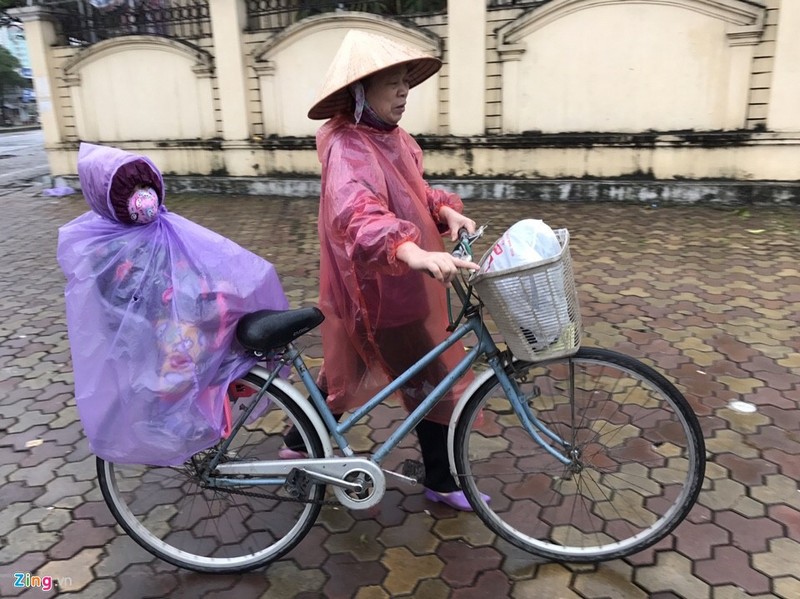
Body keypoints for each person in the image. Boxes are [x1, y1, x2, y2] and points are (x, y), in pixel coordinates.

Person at [283, 30, 489, 511]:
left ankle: (297, 438)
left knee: (345, 366)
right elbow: (357, 213)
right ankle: (440, 477)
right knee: (434, 378)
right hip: (378, 286)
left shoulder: (394, 139)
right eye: (392, 83)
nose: (404, 92)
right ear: (361, 91)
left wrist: (444, 212)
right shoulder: (349, 146)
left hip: (401, 281)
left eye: (405, 83)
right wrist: (412, 252)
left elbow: (413, 193)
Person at [57, 143, 289, 466]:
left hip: (181, 308)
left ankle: (218, 395)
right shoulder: (103, 248)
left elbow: (193, 258)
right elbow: (124, 298)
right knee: (182, 356)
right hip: (158, 325)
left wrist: (201, 288)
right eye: (133, 191)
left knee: (225, 312)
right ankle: (172, 416)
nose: (144, 200)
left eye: (145, 188)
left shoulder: (162, 226)